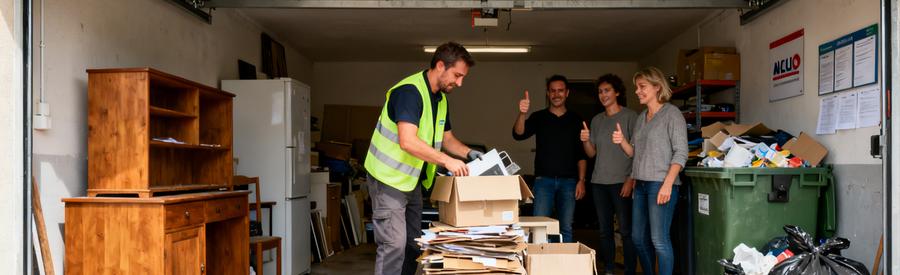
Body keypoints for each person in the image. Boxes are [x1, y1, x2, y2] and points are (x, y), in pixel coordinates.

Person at [364, 42, 485, 275]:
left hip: (412, 183)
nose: (459, 83)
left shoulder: (440, 100)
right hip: (388, 179)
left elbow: (447, 139)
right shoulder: (410, 92)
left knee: (413, 245)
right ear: (440, 65)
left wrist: (469, 153)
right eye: (457, 75)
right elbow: (407, 140)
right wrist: (447, 161)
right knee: (393, 246)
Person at [612, 67, 688, 275]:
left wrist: (668, 184)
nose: (637, 91)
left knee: (659, 240)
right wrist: (621, 142)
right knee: (637, 238)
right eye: (637, 87)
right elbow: (634, 153)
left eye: (642, 87)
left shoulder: (671, 114)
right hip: (641, 185)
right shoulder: (642, 117)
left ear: (657, 87)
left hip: (660, 185)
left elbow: (681, 152)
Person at [512, 74, 587, 243]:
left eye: (560, 91)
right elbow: (518, 134)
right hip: (543, 181)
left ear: (567, 93)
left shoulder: (576, 120)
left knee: (566, 227)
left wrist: (581, 180)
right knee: (539, 227)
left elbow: (581, 154)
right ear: (548, 93)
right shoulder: (539, 117)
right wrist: (522, 113)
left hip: (569, 182)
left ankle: (565, 267)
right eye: (552, 91)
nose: (556, 94)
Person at [580, 74, 638, 275]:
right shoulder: (597, 120)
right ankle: (609, 269)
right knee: (604, 231)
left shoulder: (631, 117)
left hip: (621, 181)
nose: (602, 95)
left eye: (607, 90)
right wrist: (585, 140)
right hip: (599, 182)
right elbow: (591, 153)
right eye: (600, 92)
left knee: (626, 231)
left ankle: (630, 270)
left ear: (617, 92)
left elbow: (638, 152)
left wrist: (630, 179)